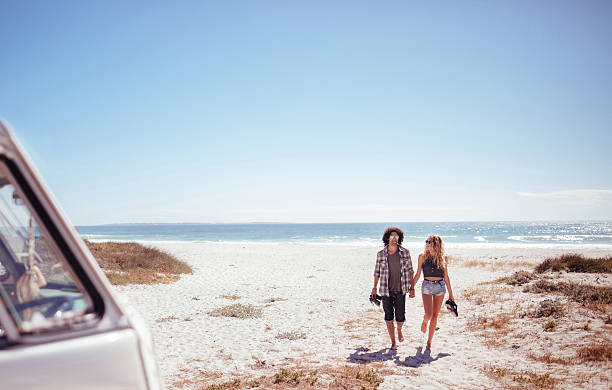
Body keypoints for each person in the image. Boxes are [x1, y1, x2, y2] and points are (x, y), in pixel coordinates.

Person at [372, 227, 415, 350]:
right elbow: (377, 272)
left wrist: (412, 288)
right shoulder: (380, 254)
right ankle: (393, 342)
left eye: (397, 236)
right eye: (392, 236)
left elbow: (410, 270)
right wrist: (374, 288)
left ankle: (400, 330)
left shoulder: (405, 252)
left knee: (400, 316)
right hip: (386, 290)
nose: (394, 238)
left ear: (399, 238)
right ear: (387, 238)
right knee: (388, 316)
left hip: (401, 288)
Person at [412, 235, 454, 350]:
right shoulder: (422, 257)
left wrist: (451, 293)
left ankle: (429, 342)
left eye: (429, 242)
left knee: (435, 316)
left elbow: (446, 276)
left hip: (440, 287)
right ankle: (425, 321)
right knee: (429, 314)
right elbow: (418, 274)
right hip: (427, 286)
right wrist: (411, 287)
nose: (427, 243)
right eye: (426, 241)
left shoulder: (443, 258)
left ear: (436, 244)